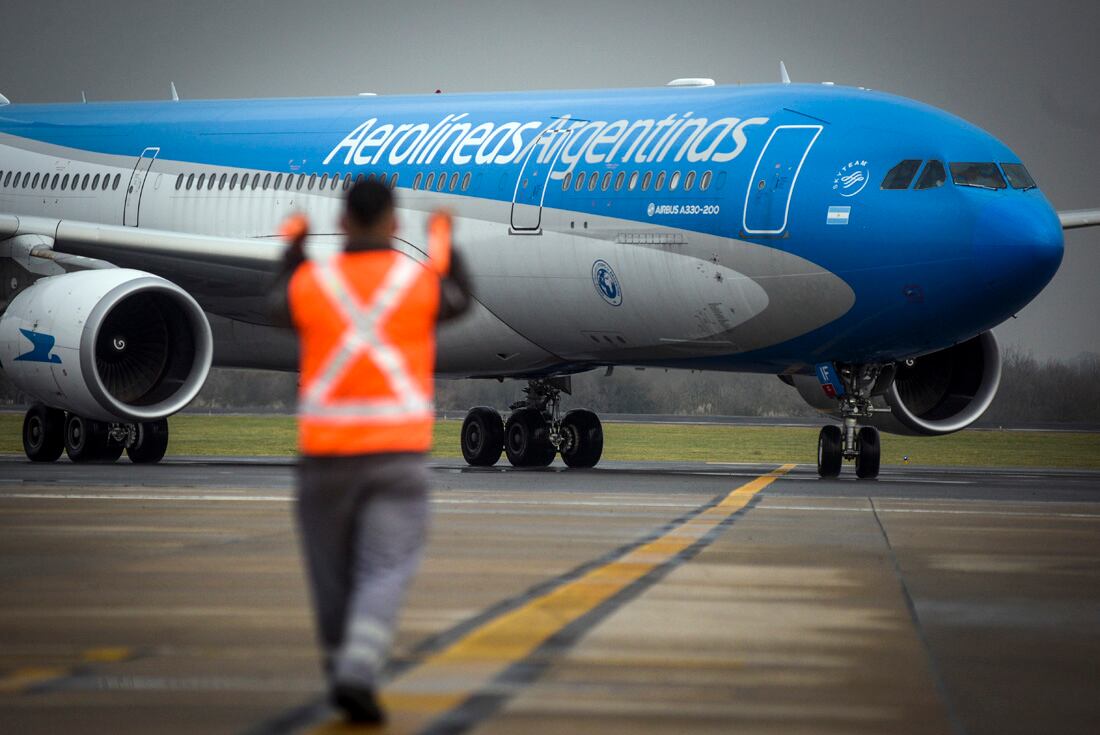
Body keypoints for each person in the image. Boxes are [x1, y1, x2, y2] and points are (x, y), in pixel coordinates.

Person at [270, 179, 471, 723]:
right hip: (396, 458)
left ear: (342, 222)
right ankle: (358, 670)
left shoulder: (316, 279)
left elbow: (279, 305)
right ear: (393, 224)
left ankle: (342, 666)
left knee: (330, 575)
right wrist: (445, 238)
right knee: (383, 569)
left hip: (325, 461)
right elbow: (458, 296)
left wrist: (294, 247)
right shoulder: (417, 280)